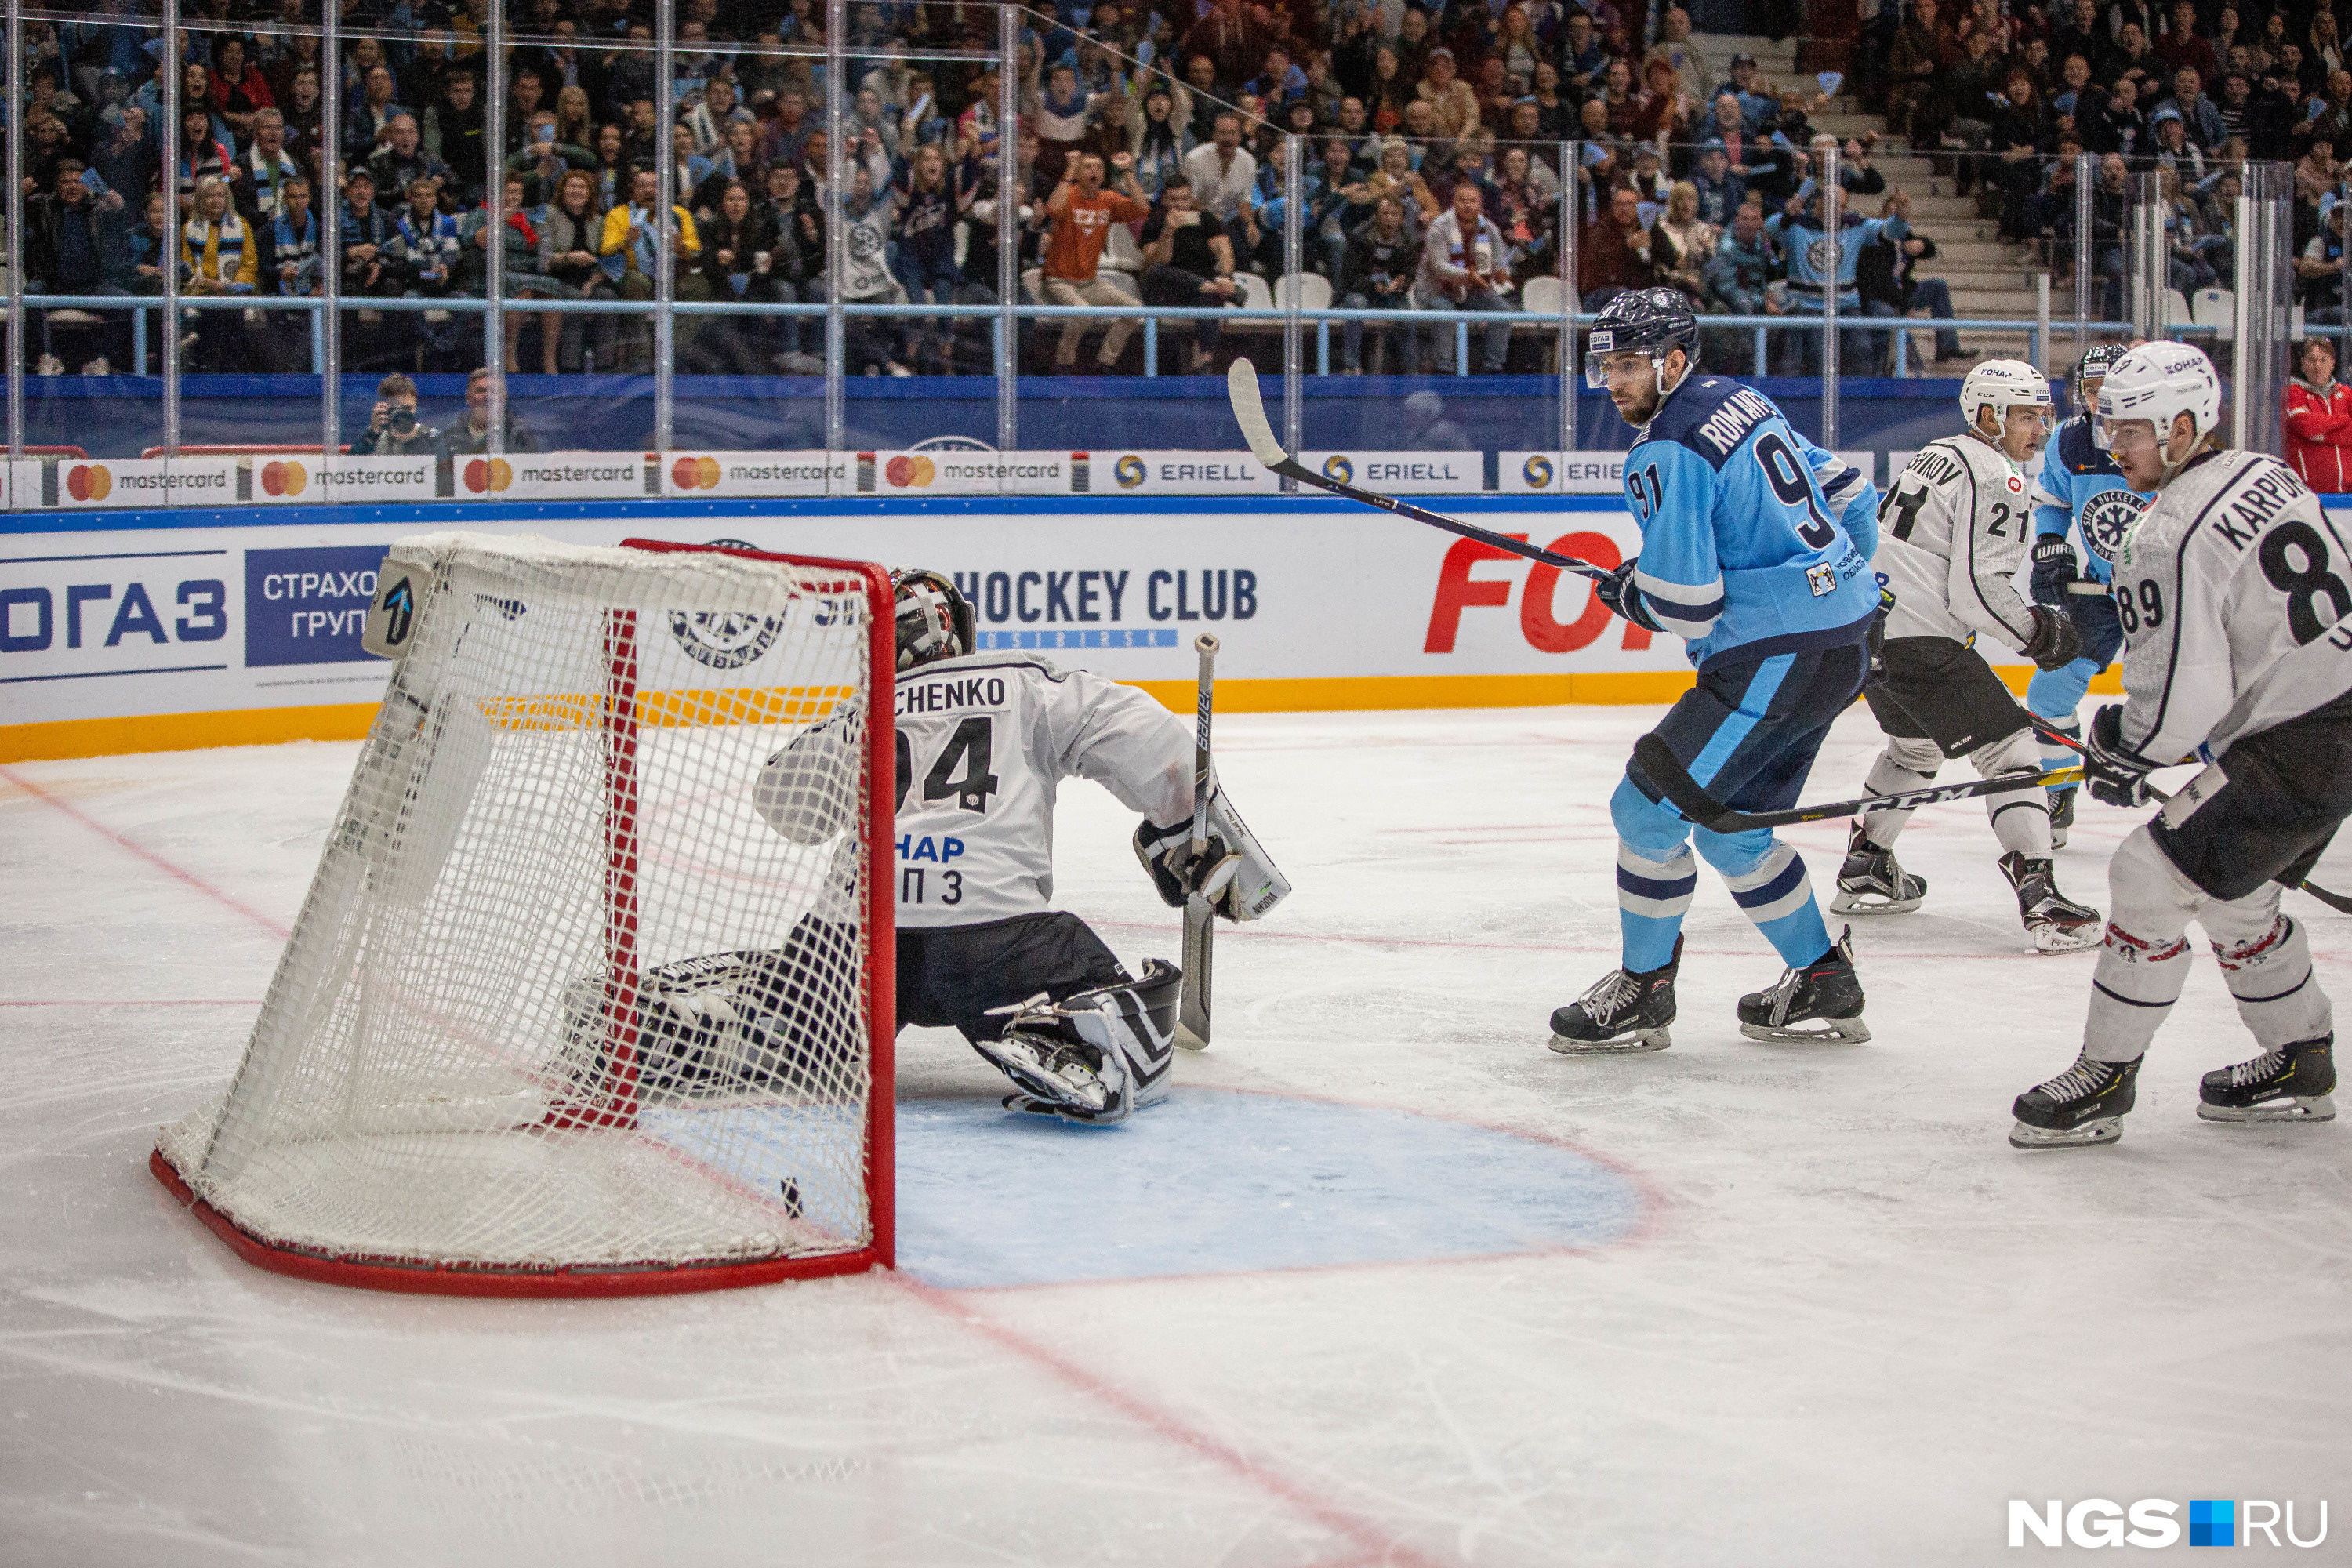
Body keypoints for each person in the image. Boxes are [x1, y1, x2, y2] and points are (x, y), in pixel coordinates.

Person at [742, 571, 1290, 1124]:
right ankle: (1056, 1035)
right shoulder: (1025, 683)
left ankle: (778, 1016)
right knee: (1113, 1007)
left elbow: (783, 805)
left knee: (804, 1006)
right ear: (961, 627)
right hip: (990, 948)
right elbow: (1166, 754)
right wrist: (1185, 833)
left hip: (852, 948)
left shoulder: (865, 713)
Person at [2011, 343, 2347, 1147]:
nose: (2112, 447)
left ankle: (2106, 1075)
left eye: (2128, 431)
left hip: (2299, 743)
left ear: (2184, 426)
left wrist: (2126, 746)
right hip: (2329, 717)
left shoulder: (2164, 535)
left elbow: (2182, 696)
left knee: (2147, 873)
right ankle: (2301, 1055)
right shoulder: (2269, 470)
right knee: (2236, 888)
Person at [1548, 289, 1882, 1054]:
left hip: (1774, 658)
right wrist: (1849, 584)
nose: (1612, 382)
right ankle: (1824, 977)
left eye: (1629, 364)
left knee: (1644, 809)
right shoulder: (1744, 399)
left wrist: (1632, 592)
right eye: (1605, 364)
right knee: (1733, 832)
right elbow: (1851, 495)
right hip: (1845, 642)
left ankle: (1642, 989)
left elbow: (1688, 605)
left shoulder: (1665, 447)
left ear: (1673, 361)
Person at [1836, 362, 2102, 954]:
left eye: (2044, 414)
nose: (2039, 428)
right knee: (2009, 750)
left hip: (1871, 631)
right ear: (1989, 415)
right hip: (1923, 638)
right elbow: (1977, 591)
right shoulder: (1996, 474)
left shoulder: (1937, 453)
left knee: (1916, 747)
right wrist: (2039, 633)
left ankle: (1868, 864)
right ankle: (2043, 898)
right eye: (2027, 415)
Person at [2026, 343, 2154, 845]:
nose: (2100, 401)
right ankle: (2058, 792)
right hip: (2099, 594)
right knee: (2048, 692)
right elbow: (2052, 503)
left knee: (2182, 697)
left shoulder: (2155, 440)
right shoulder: (2070, 442)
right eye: (2092, 389)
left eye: (2109, 389)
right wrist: (2052, 545)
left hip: (2163, 597)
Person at [1040, 151, 1148, 373]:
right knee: (1084, 313)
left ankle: (1105, 363)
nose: (1094, 171)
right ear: (1078, 172)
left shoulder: (1108, 199)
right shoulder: (1068, 193)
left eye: (1099, 167)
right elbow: (1053, 209)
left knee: (1134, 310)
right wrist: (1070, 169)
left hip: (1089, 282)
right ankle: (1063, 363)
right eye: (1088, 166)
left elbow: (1142, 208)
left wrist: (1126, 172)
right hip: (1059, 280)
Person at [1138, 176, 1239, 375]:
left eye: (1184, 199)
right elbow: (1158, 262)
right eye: (1174, 200)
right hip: (1166, 286)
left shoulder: (1206, 219)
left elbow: (1224, 249)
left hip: (1201, 287)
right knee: (1159, 272)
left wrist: (1226, 275)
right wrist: (1169, 230)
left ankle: (1204, 364)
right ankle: (1205, 285)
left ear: (1191, 199)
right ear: (1165, 200)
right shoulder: (1155, 221)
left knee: (1210, 297)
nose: (1180, 205)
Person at [1416, 178, 1513, 374]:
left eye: (1473, 201)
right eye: (1463, 201)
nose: (1468, 205)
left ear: (1480, 204)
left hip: (1475, 292)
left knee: (1503, 311)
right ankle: (1443, 368)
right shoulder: (1439, 227)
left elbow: (1500, 261)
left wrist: (1503, 273)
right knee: (1445, 313)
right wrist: (1469, 275)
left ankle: (1493, 367)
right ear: (1454, 202)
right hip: (1438, 291)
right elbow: (1439, 267)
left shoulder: (1490, 229)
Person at [1338, 194, 1417, 373]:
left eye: (1395, 214)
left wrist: (1400, 282)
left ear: (1402, 218)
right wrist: (1373, 285)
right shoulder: (1358, 238)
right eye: (1385, 214)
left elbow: (1409, 274)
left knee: (1406, 314)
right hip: (1362, 292)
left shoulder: (1408, 242)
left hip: (1391, 294)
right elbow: (1349, 277)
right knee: (1356, 304)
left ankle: (1410, 372)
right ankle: (1351, 366)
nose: (1390, 219)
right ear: (1377, 216)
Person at [2285, 335, 2352, 492]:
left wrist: (2321, 435)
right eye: (2312, 360)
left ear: (2332, 364)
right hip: (2308, 493)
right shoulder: (2292, 392)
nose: (2317, 366)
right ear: (2303, 364)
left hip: (2348, 494)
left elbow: (2313, 431)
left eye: (2323, 360)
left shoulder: (2346, 394)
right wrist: (2345, 420)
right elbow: (2306, 426)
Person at [349, 372, 450, 457]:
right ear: (385, 408)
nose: (403, 413)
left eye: (407, 408)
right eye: (396, 408)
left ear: (415, 406)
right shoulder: (374, 437)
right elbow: (350, 470)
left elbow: (444, 477)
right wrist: (373, 432)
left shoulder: (431, 438)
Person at [444, 368, 540, 456]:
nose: (488, 397)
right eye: (481, 391)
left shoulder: (520, 435)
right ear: (468, 398)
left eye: (494, 391)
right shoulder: (451, 435)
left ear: (504, 398)